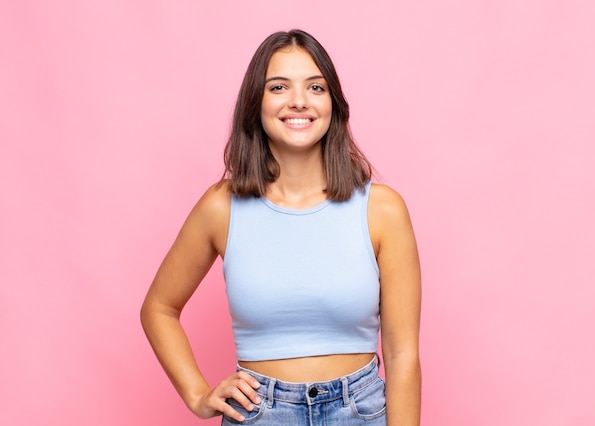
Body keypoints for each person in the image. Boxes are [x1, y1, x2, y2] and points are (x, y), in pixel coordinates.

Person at [141, 29, 421, 425]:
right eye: (278, 87)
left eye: (315, 87)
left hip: (360, 412)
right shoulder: (222, 207)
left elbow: (402, 354)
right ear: (256, 103)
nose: (299, 101)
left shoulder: (382, 209)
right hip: (260, 414)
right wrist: (197, 394)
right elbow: (159, 308)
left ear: (333, 104)